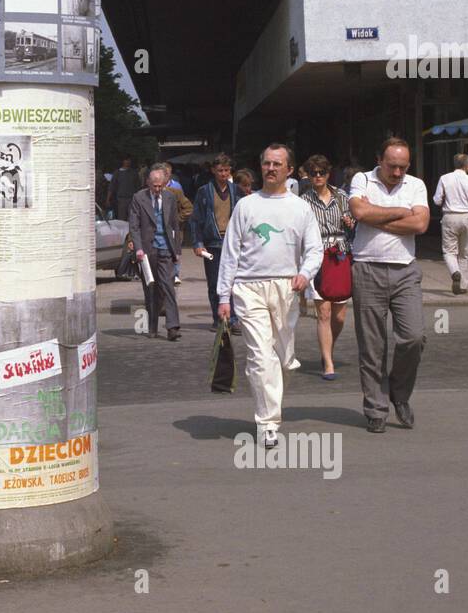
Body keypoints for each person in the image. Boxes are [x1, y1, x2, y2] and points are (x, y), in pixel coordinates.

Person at [217, 144, 323, 449]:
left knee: (284, 360)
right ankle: (267, 423)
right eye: (266, 163)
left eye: (277, 164)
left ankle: (271, 404)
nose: (271, 168)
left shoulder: (301, 208)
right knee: (260, 357)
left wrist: (306, 273)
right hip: (248, 288)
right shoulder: (246, 206)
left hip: (287, 288)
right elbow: (230, 253)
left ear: (290, 170)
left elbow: (314, 249)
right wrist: (224, 296)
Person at [347, 138, 430, 433]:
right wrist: (402, 212)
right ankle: (376, 408)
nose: (397, 173)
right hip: (367, 268)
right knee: (372, 346)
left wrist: (376, 216)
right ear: (379, 160)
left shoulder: (416, 185)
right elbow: (359, 213)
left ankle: (399, 393)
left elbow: (421, 225)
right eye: (392, 166)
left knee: (414, 337)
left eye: (402, 167)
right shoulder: (361, 180)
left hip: (405, 270)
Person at [301, 154, 355, 380]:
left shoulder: (342, 197)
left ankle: (328, 348)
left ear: (328, 174)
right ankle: (328, 363)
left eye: (321, 172)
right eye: (313, 173)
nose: (317, 177)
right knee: (323, 312)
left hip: (340, 255)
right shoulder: (303, 201)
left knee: (339, 315)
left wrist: (351, 223)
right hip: (316, 255)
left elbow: (353, 225)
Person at [129, 162, 182, 340]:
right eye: (155, 186)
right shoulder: (138, 198)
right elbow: (134, 226)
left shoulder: (170, 198)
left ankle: (173, 326)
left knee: (168, 286)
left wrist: (177, 250)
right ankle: (152, 326)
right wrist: (138, 248)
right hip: (147, 249)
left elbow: (175, 225)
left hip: (166, 247)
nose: (158, 189)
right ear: (148, 183)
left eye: (161, 185)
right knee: (151, 289)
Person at [190, 153, 242, 330]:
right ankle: (218, 318)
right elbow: (196, 219)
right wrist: (197, 243)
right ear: (213, 170)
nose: (223, 174)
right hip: (212, 243)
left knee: (233, 281)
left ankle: (233, 318)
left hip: (232, 242)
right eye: (220, 170)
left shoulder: (236, 191)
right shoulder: (204, 191)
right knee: (214, 282)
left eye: (227, 170)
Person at [433, 153, 468, 295]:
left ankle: (455, 272)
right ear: (467, 166)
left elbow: (437, 200)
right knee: (465, 254)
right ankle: (462, 286)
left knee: (449, 252)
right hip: (467, 217)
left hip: (449, 217)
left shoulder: (444, 179)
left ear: (454, 164)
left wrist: (443, 198)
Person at [108, 157, 139, 221]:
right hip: (121, 199)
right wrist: (108, 199)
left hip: (132, 199)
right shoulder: (117, 173)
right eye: (126, 160)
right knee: (121, 218)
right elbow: (112, 186)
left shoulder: (134, 173)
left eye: (129, 160)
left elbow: (138, 187)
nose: (127, 162)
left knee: (132, 218)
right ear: (123, 161)